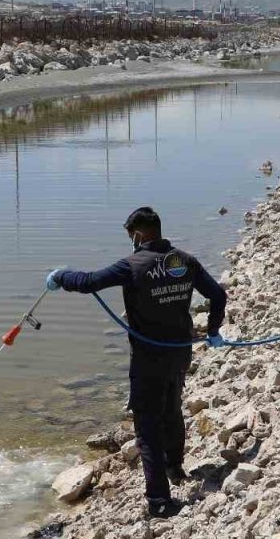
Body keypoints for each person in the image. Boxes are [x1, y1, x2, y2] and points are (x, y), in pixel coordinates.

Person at [47, 207, 228, 519]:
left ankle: (159, 501)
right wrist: (212, 330)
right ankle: (175, 468)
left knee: (147, 428)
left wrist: (61, 277)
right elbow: (218, 296)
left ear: (139, 234)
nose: (130, 241)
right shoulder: (184, 260)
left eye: (131, 236)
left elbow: (89, 282)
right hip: (179, 352)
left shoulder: (133, 265)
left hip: (148, 359)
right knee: (171, 407)